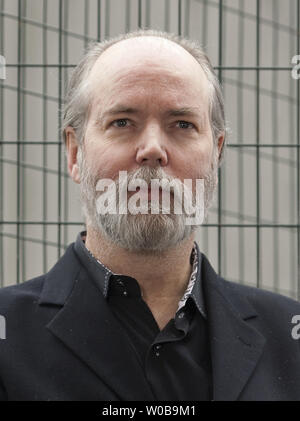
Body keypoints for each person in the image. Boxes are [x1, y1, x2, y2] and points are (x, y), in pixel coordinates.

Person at [0, 29, 300, 401]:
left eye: (182, 125)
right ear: (75, 153)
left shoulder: (290, 342)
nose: (153, 149)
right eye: (123, 122)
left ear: (216, 154)